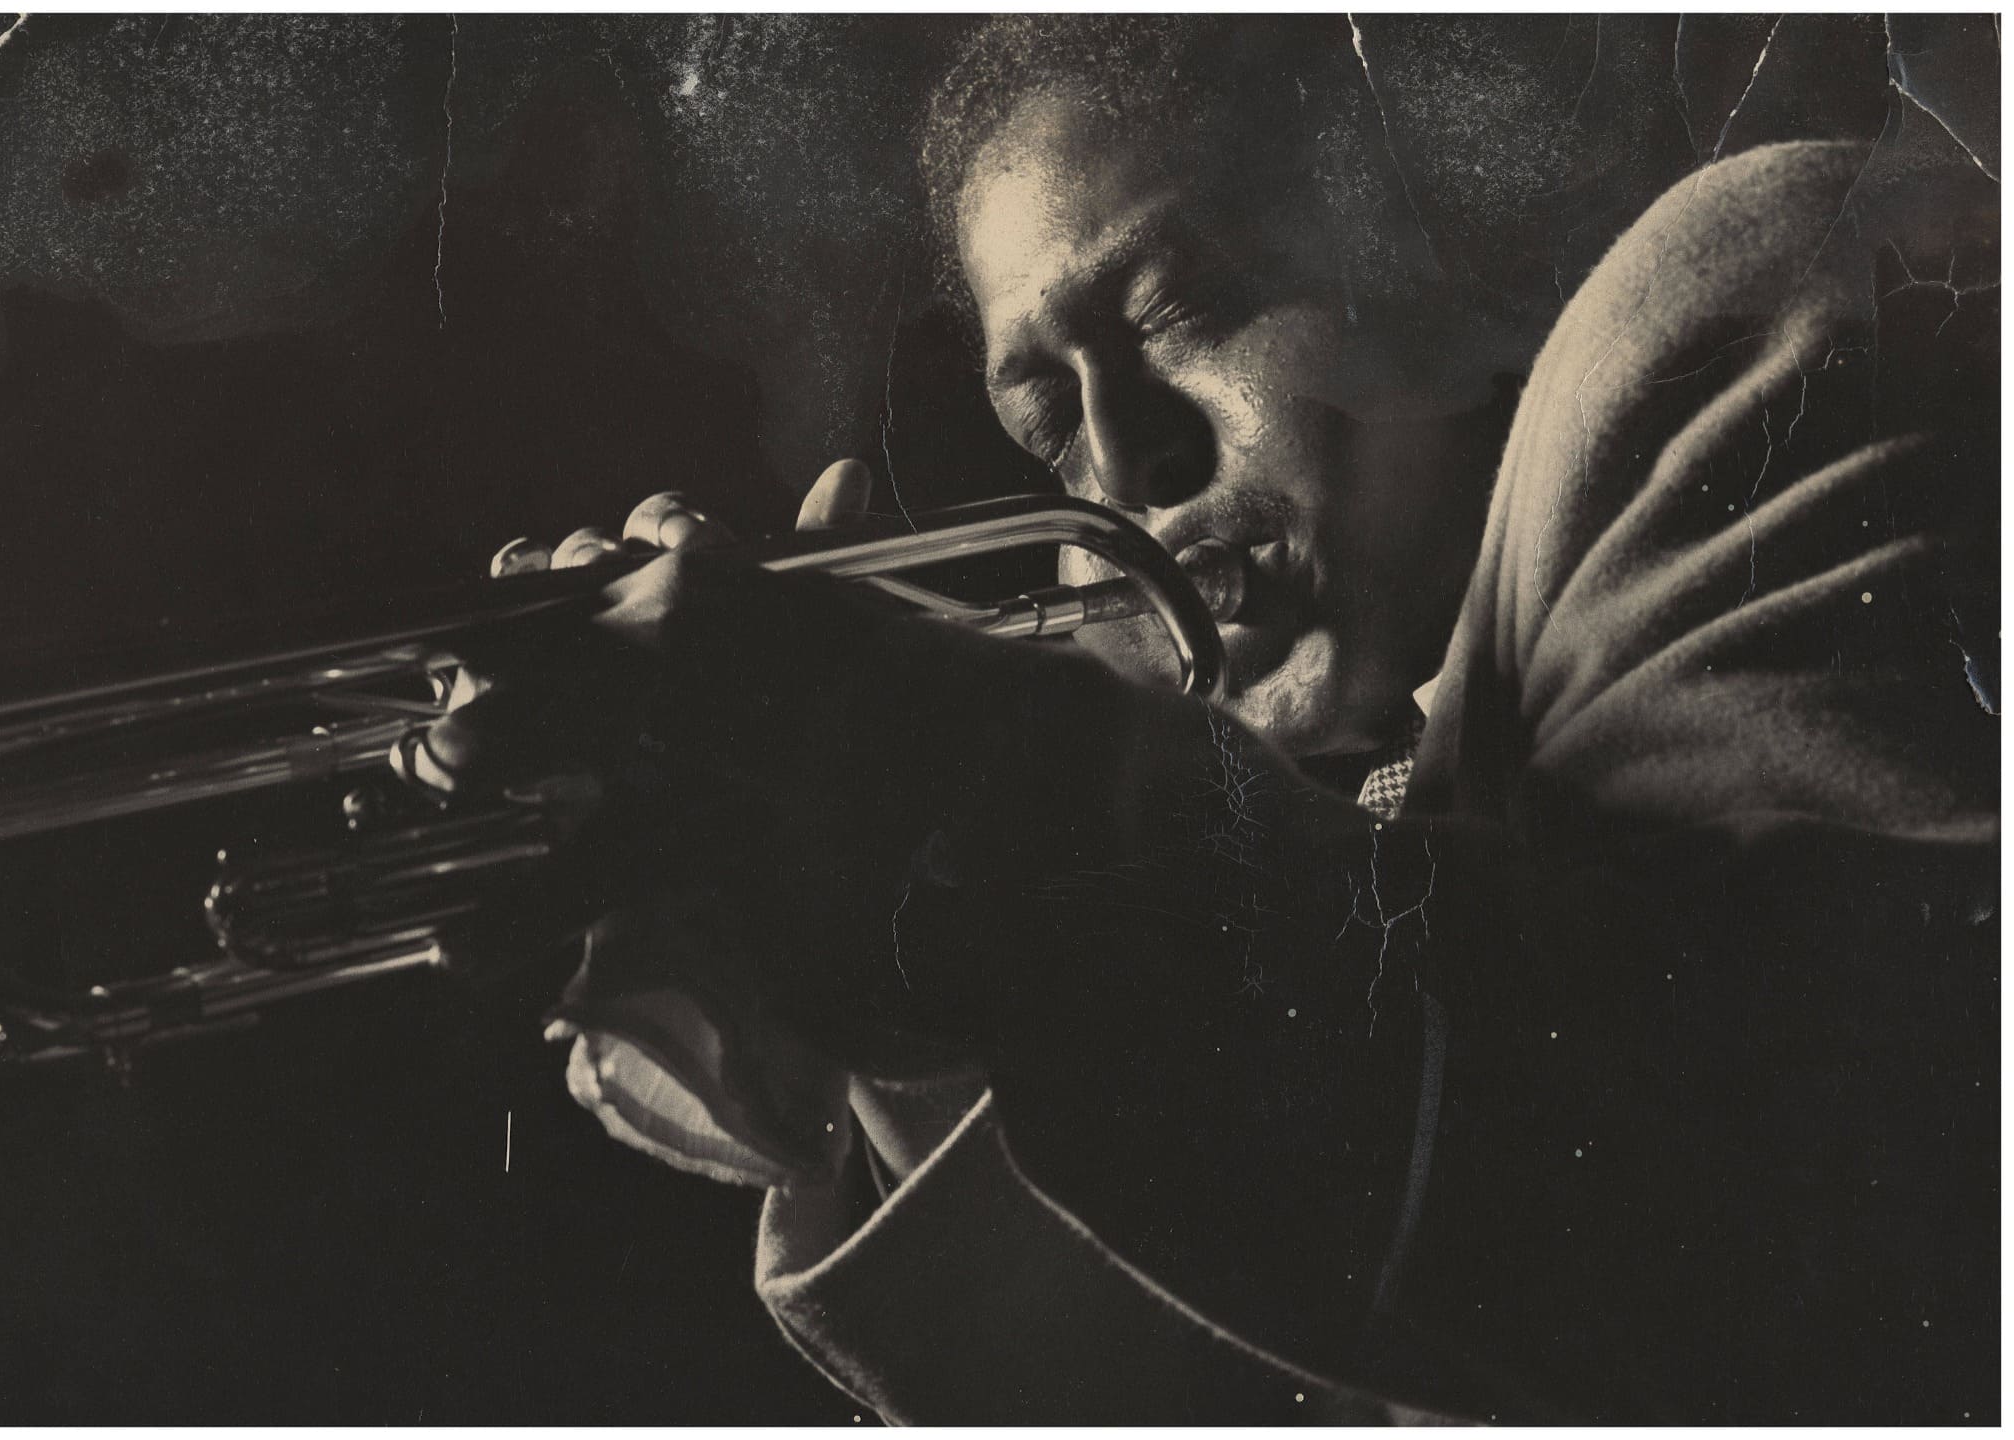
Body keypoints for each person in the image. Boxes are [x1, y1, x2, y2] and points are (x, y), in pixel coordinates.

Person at [427, 16, 1998, 1424]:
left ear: (1439, 246)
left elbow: (1798, 1224)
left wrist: (995, 815)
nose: (1123, 463)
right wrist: (879, 1000)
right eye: (1044, 418)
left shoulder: (1754, 279)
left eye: (1182, 307)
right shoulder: (1306, 809)